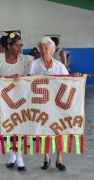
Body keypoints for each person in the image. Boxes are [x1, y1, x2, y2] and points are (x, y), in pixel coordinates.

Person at [0, 32, 33, 171]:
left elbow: (31, 76)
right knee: (7, 125)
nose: (20, 48)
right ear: (9, 46)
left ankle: (20, 155)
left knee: (20, 125)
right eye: (17, 45)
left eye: (21, 45)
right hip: (3, 98)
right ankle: (12, 154)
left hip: (20, 98)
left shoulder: (25, 60)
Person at [27, 37, 69, 171]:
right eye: (42, 48)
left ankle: (59, 159)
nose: (44, 51)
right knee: (42, 131)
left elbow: (68, 81)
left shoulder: (59, 66)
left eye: (47, 48)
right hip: (39, 105)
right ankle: (46, 157)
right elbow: (26, 82)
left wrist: (76, 77)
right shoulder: (34, 64)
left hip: (56, 105)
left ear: (52, 49)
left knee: (58, 130)